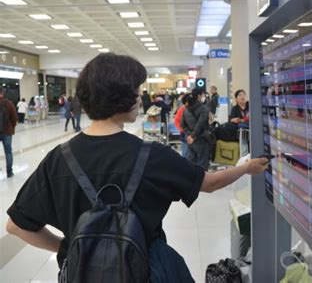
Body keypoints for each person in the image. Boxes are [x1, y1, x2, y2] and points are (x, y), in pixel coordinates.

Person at [5, 53, 268, 282]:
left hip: (81, 273)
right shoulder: (152, 155)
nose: (140, 98)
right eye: (136, 91)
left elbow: (16, 225)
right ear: (121, 97)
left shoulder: (58, 159)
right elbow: (208, 183)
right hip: (145, 269)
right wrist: (245, 168)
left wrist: (68, 246)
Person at [181, 88, 211, 170]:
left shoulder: (186, 110)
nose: (204, 96)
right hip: (201, 139)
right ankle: (202, 182)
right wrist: (194, 136)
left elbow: (182, 124)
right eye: (203, 95)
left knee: (192, 163)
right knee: (202, 164)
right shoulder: (203, 109)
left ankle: (192, 181)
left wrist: (189, 136)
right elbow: (200, 124)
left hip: (190, 141)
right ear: (199, 96)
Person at [0, 88, 18, 177]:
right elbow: (14, 118)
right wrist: (12, 127)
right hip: (7, 132)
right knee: (8, 152)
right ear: (2, 93)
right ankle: (9, 172)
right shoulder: (8, 103)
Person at [175, 94, 190, 158]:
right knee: (185, 152)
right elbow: (177, 121)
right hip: (185, 134)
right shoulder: (182, 109)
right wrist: (182, 130)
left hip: (194, 134)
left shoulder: (196, 109)